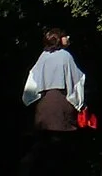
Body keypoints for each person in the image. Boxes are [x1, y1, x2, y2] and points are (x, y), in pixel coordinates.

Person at [21, 28, 87, 174]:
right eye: (64, 36)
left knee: (43, 147)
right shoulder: (65, 56)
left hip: (43, 106)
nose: (68, 38)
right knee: (61, 149)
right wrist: (80, 104)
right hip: (61, 106)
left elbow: (31, 85)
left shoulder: (43, 57)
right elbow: (77, 82)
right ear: (59, 39)